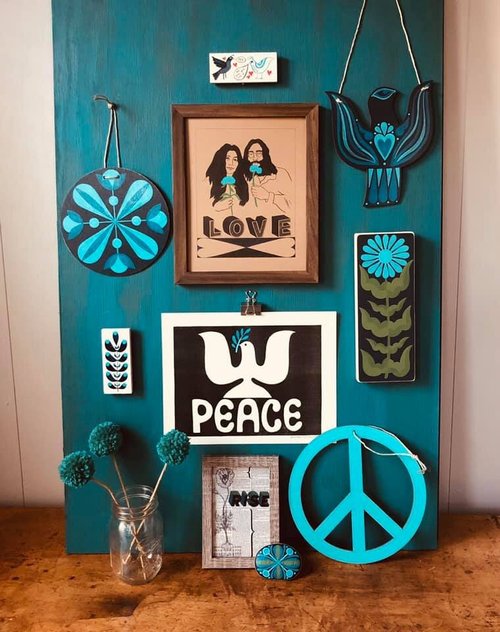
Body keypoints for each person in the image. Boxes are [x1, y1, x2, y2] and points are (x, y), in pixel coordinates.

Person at [242, 139, 293, 213]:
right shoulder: (242, 177)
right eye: (251, 154)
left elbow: (293, 206)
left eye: (259, 153)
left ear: (265, 155)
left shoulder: (280, 174)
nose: (255, 158)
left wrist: (268, 196)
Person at [205, 144, 249, 213]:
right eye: (227, 158)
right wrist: (217, 207)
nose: (231, 163)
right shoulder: (210, 181)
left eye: (235, 159)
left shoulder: (242, 183)